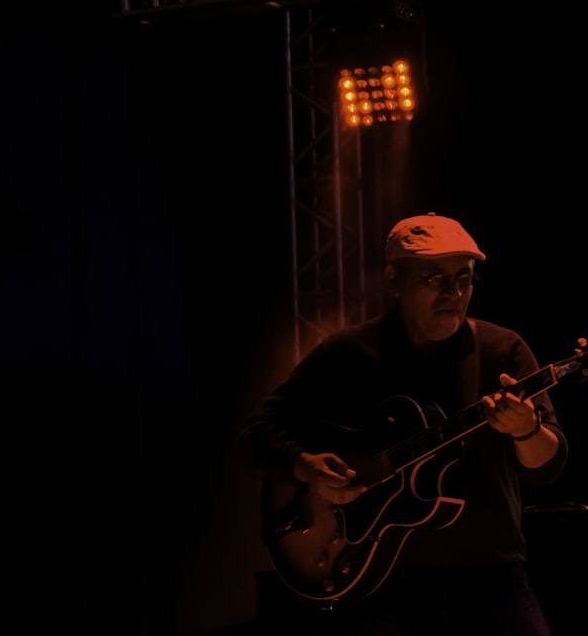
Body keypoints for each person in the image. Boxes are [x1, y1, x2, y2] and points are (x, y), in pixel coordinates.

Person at [239, 212, 569, 636]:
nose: (453, 293)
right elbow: (258, 430)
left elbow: (549, 465)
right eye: (434, 278)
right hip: (381, 582)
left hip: (492, 576)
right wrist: (305, 468)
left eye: (465, 279)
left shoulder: (502, 350)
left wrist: (526, 430)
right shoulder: (348, 354)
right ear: (394, 279)